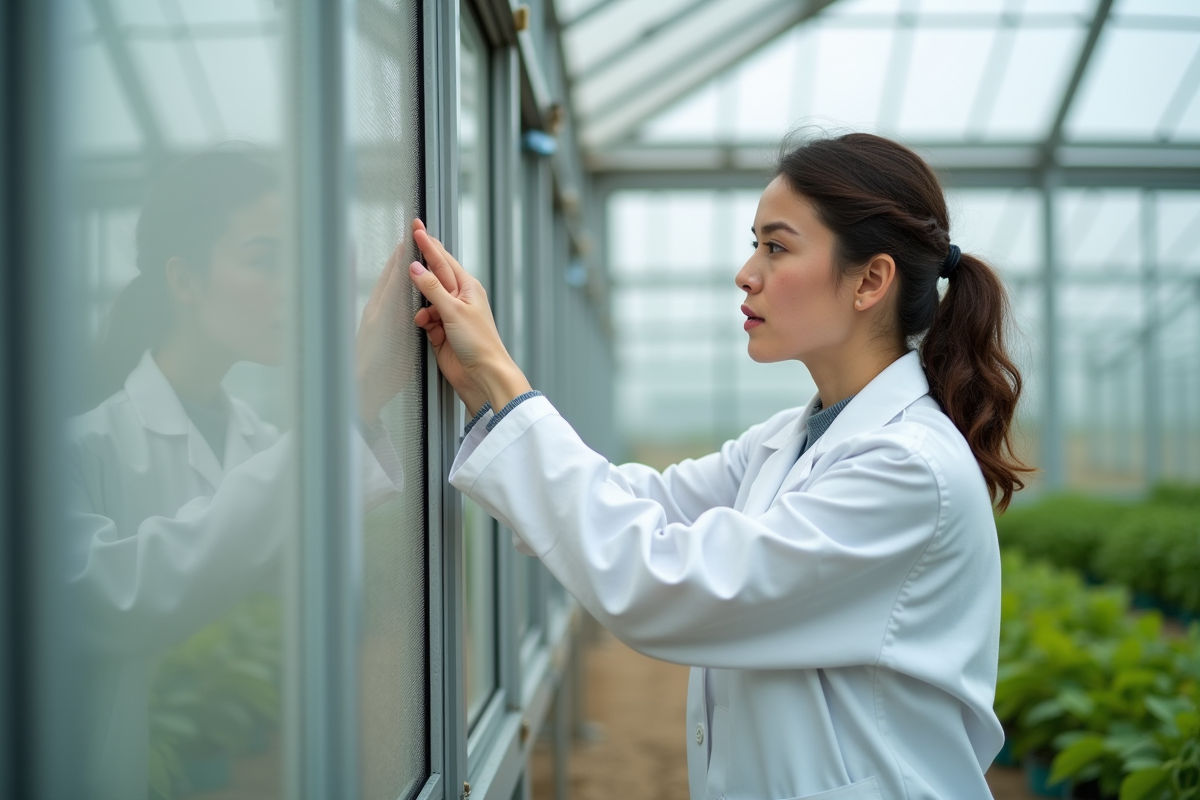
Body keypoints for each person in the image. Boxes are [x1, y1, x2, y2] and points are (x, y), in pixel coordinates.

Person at [408, 132, 1031, 800]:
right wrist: (488, 391)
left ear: (871, 280)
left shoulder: (909, 470)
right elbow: (632, 501)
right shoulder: (791, 439)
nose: (747, 272)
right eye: (754, 242)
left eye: (777, 246)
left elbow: (663, 581)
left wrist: (505, 377)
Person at [67, 147, 412, 798]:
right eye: (264, 260)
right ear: (185, 280)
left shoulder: (260, 442)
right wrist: (351, 400)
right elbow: (120, 600)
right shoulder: (73, 452)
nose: (295, 290)